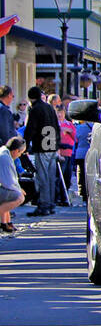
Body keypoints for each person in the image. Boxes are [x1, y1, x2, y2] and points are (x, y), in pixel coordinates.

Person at [21, 86, 59, 216]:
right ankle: (51, 203)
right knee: (50, 177)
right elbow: (56, 126)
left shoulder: (35, 109)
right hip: (52, 145)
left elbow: (30, 128)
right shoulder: (49, 107)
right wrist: (57, 144)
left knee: (42, 176)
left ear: (31, 97)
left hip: (41, 146)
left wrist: (24, 145)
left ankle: (44, 204)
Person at [0, 136, 25, 233]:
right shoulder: (5, 158)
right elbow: (8, 183)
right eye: (20, 153)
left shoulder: (4, 152)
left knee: (9, 195)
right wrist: (19, 189)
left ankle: (5, 223)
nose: (20, 155)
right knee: (18, 197)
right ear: (15, 151)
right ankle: (4, 222)